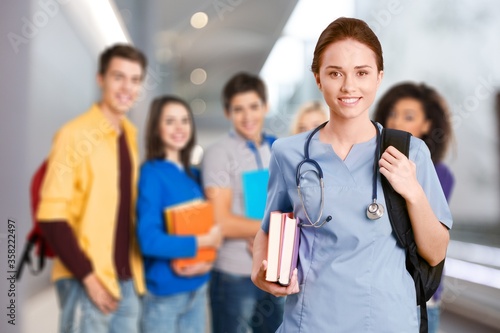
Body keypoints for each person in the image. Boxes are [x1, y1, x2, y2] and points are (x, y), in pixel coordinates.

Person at [251, 17, 453, 332]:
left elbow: (436, 250)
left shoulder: (410, 152)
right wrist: (260, 274)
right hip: (311, 321)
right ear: (318, 78)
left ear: (378, 77)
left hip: (387, 322)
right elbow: (270, 228)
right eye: (335, 73)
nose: (349, 86)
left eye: (362, 73)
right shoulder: (288, 154)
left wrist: (412, 190)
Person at [37, 44, 147, 332]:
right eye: (118, 77)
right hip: (86, 279)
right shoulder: (74, 134)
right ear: (101, 79)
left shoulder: (130, 137)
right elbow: (51, 214)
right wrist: (88, 276)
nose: (127, 88)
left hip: (126, 280)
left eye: (135, 80)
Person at [202, 72, 285, 332]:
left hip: (273, 270)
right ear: (228, 113)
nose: (248, 116)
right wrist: (272, 230)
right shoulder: (219, 153)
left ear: (265, 106)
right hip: (234, 274)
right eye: (238, 109)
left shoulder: (278, 148)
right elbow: (221, 222)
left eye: (253, 106)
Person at [373, 82, 455, 333]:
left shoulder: (439, 173)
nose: (397, 122)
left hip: (419, 294)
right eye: (392, 114)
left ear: (427, 125)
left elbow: (428, 237)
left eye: (409, 117)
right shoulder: (371, 162)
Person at [136, 95, 222, 333]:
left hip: (198, 289)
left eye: (184, 120)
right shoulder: (151, 175)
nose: (179, 128)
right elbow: (149, 240)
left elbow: (206, 225)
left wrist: (207, 260)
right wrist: (202, 242)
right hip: (166, 297)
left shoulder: (193, 174)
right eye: (170, 121)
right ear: (156, 127)